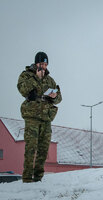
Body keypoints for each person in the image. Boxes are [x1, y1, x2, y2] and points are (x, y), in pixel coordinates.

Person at [17, 52, 62, 182]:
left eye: (46, 64)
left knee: (43, 149)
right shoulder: (27, 75)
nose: (44, 66)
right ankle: (26, 178)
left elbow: (59, 97)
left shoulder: (50, 80)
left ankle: (38, 178)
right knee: (31, 147)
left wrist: (55, 96)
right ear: (36, 63)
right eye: (41, 64)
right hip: (32, 115)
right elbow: (22, 89)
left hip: (46, 117)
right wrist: (36, 78)